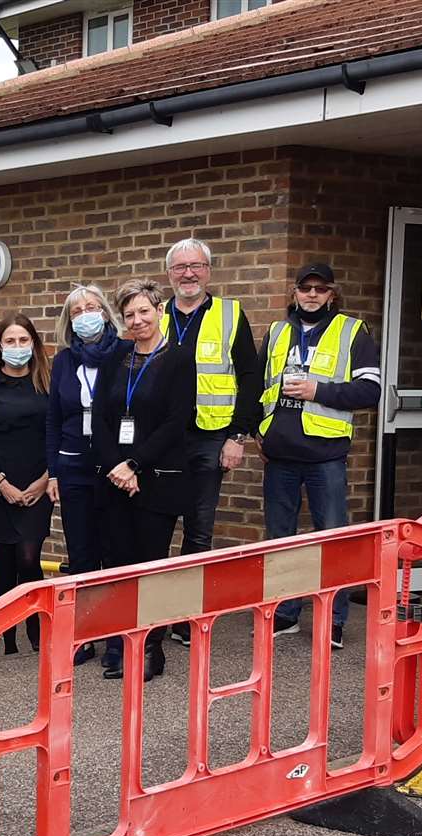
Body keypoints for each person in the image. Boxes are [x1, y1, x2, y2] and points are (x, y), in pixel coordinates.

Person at [258, 262, 381, 649]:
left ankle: (334, 620)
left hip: (325, 453)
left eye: (320, 288)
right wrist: (259, 433)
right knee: (280, 541)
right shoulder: (277, 332)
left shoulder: (352, 330)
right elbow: (258, 388)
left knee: (332, 540)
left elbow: (369, 391)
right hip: (279, 454)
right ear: (294, 292)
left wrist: (318, 390)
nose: (312, 294)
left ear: (332, 293)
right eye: (305, 287)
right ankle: (285, 613)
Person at [159, 238, 263, 646]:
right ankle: (155, 614)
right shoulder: (155, 316)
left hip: (209, 437)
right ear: (169, 274)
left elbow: (249, 377)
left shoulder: (231, 314)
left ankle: (187, 617)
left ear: (209, 271)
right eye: (180, 266)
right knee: (156, 529)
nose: (188, 273)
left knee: (199, 531)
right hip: (162, 443)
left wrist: (238, 436)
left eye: (196, 266)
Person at [91, 280, 195, 683]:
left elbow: (176, 421)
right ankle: (121, 645)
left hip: (158, 479)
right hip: (115, 479)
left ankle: (150, 649)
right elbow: (99, 418)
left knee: (149, 566)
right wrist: (117, 466)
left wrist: (135, 463)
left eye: (144, 312)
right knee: (118, 566)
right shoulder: (117, 359)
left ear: (160, 311)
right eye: (129, 315)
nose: (137, 321)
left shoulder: (179, 359)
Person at [47, 283, 131, 665]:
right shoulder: (64, 361)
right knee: (80, 555)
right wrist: (52, 473)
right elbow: (53, 420)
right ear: (69, 320)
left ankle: (116, 638)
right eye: (77, 310)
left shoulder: (126, 354)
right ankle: (83, 634)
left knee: (115, 551)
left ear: (106, 313)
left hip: (113, 466)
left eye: (92, 307)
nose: (86, 315)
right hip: (73, 466)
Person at [0, 314, 53, 655]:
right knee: (4, 564)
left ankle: (38, 631)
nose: (17, 347)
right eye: (10, 341)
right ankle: (5, 635)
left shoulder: (47, 384)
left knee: (29, 558)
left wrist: (46, 479)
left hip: (39, 483)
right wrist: (1, 482)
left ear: (33, 344)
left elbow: (59, 433)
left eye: (23, 340)